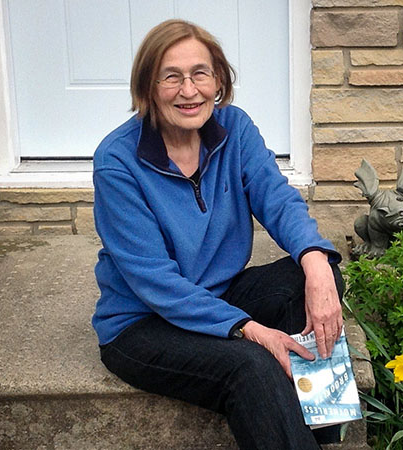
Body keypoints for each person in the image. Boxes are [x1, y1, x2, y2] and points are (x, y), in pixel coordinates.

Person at [91, 19, 344, 450]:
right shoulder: (117, 160)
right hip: (144, 324)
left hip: (219, 295)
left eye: (200, 74)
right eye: (171, 77)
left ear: (219, 79)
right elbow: (156, 281)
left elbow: (278, 200)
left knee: (317, 279)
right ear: (147, 88)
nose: (189, 91)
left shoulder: (235, 130)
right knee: (252, 365)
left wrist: (316, 261)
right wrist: (248, 328)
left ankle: (319, 434)